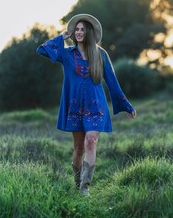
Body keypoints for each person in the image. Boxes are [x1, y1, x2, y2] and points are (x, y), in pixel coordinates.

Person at [36, 14, 136, 196]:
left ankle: (85, 187)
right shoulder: (66, 54)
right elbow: (42, 50)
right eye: (77, 29)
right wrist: (62, 37)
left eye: (83, 29)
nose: (79, 32)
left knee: (91, 141)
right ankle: (77, 182)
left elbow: (112, 81)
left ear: (89, 32)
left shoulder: (101, 54)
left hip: (96, 107)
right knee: (79, 148)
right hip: (75, 108)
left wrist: (126, 105)